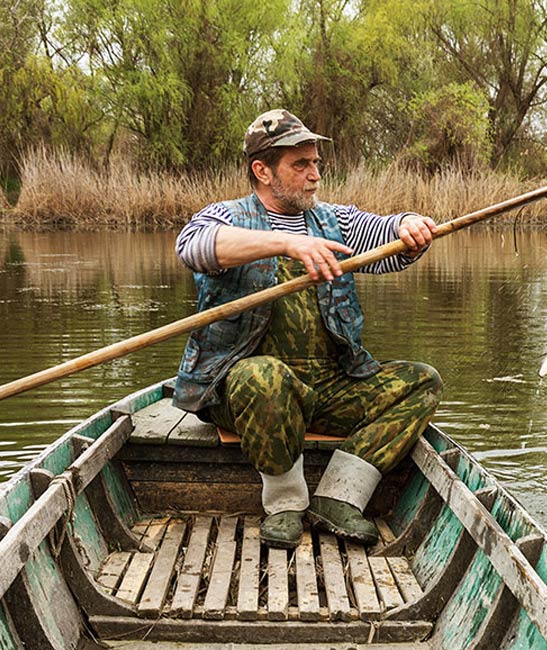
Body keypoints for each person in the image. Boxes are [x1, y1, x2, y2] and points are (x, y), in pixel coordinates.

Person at [172, 109, 443, 549]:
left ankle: (339, 496)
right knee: (265, 377)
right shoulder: (225, 217)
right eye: (301, 165)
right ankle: (285, 503)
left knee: (421, 382)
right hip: (245, 390)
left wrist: (408, 225)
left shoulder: (335, 219)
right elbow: (194, 247)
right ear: (262, 170)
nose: (315, 175)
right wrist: (287, 242)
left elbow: (386, 238)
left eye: (316, 163)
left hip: (327, 384)